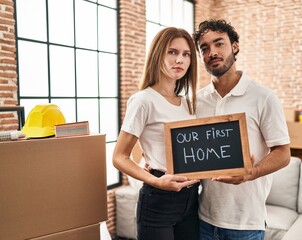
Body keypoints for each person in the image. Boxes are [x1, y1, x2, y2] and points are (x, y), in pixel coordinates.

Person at [193, 19, 291, 240]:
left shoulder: (263, 97)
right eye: (204, 48)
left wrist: (250, 173)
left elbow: (284, 154)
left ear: (234, 46)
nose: (212, 52)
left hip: (246, 224)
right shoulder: (197, 101)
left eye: (219, 44)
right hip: (202, 219)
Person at [112, 27, 200, 240]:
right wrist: (156, 181)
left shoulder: (188, 104)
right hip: (159, 198)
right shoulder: (143, 100)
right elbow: (118, 157)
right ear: (158, 54)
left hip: (192, 198)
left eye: (186, 54)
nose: (180, 59)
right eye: (172, 52)